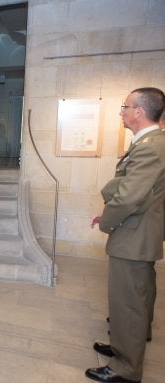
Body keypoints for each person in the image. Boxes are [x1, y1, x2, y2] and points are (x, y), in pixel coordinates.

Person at [87, 87, 165, 383]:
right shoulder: (152, 142)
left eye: (125, 106)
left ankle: (127, 369)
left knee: (128, 303)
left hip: (134, 236)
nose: (121, 112)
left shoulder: (149, 147)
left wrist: (107, 220)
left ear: (140, 112)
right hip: (138, 231)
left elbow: (128, 196)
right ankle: (123, 347)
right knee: (131, 300)